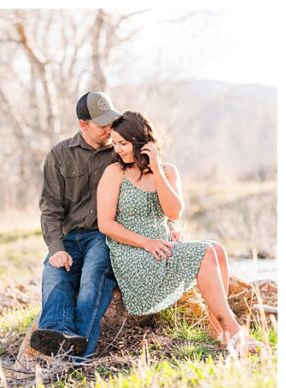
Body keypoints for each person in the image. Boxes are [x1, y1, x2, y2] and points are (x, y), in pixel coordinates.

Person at [96, 111, 263, 356]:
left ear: (142, 142)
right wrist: (146, 243)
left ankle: (216, 327)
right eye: (115, 143)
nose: (118, 149)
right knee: (206, 251)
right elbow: (106, 225)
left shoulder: (167, 172)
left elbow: (173, 213)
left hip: (162, 248)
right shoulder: (114, 173)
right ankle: (234, 332)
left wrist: (156, 170)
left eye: (123, 143)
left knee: (217, 249)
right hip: (133, 253)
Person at [32, 91, 121, 359]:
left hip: (104, 235)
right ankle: (58, 332)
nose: (109, 129)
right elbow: (50, 208)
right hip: (71, 236)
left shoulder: (120, 152)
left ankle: (77, 352)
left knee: (93, 277)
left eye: (110, 121)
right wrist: (56, 247)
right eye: (102, 124)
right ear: (83, 124)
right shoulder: (59, 155)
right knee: (54, 273)